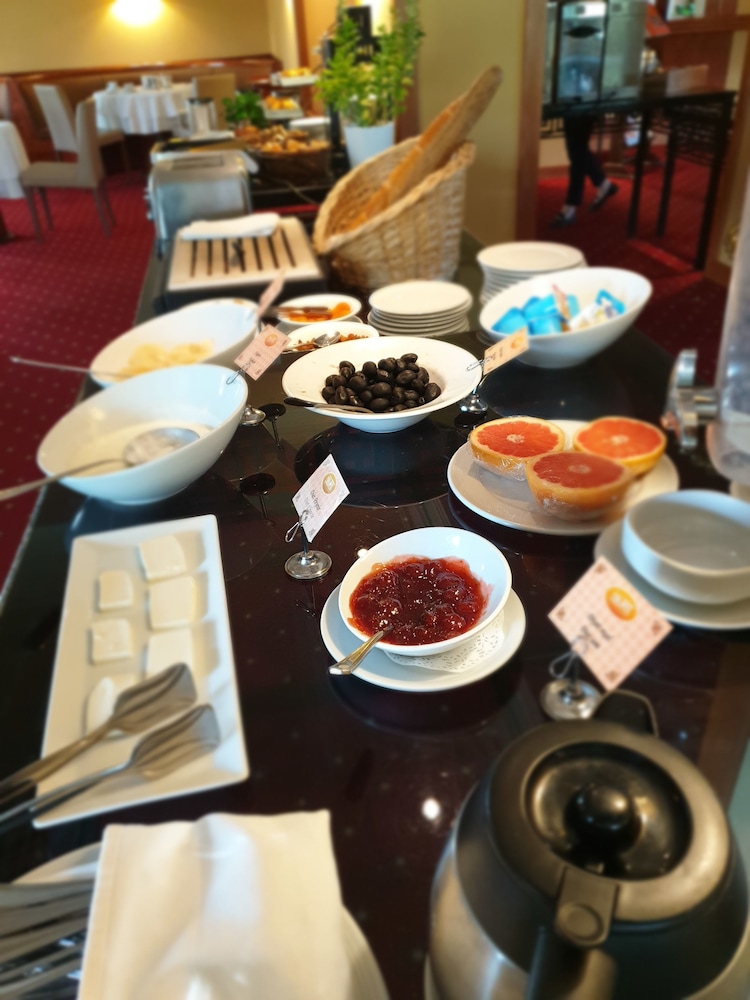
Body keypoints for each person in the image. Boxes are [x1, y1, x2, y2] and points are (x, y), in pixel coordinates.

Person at [551, 114, 619, 227]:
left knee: (577, 152)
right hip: (577, 107)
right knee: (577, 150)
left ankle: (570, 206)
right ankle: (604, 185)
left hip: (583, 108)